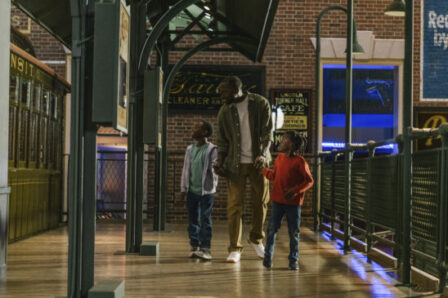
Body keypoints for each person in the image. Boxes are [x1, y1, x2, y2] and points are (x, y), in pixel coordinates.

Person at [214, 76, 273, 263]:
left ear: (235, 88)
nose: (221, 95)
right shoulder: (224, 111)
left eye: (224, 91)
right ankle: (235, 248)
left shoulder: (260, 103)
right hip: (234, 164)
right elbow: (222, 141)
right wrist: (220, 162)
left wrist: (262, 154)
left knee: (261, 203)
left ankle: (256, 239)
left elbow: (267, 132)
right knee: (234, 206)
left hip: (258, 162)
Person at [262, 131, 314, 270]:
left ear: (291, 144)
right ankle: (267, 258)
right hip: (278, 201)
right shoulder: (279, 158)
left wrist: (295, 190)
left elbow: (309, 181)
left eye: (284, 139)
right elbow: (274, 176)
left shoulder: (300, 162)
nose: (281, 142)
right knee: (272, 229)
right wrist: (263, 170)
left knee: (294, 233)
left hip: (293, 204)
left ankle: (293, 260)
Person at [180, 120, 218, 260]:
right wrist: (183, 189)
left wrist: (217, 167)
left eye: (197, 128)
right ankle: (194, 245)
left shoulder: (212, 149)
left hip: (206, 192)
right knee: (193, 219)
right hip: (192, 191)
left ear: (205, 132)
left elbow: (215, 166)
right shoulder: (190, 149)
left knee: (205, 219)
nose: (193, 130)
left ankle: (206, 248)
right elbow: (185, 170)